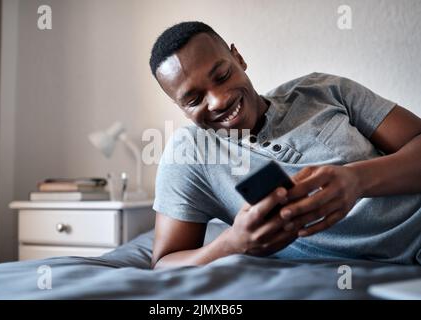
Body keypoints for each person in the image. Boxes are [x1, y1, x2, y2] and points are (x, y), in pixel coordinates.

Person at [149, 21, 421, 268]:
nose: (218, 101)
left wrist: (357, 179)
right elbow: (164, 263)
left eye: (221, 76)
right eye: (194, 100)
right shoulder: (191, 154)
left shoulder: (324, 90)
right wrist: (234, 244)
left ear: (238, 58)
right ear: (180, 108)